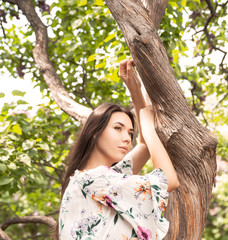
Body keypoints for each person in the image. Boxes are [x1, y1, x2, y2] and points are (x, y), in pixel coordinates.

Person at [56, 60, 179, 240]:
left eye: (130, 132)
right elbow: (169, 180)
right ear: (94, 132)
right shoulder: (94, 179)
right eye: (117, 128)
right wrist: (149, 124)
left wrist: (135, 89)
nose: (127, 138)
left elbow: (144, 145)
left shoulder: (97, 178)